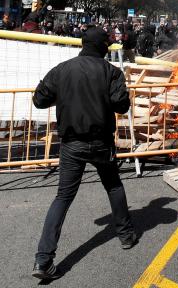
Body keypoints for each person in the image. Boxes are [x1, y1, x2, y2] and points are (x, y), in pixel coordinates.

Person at [31, 27, 136, 281]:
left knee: (63, 198)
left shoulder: (63, 69)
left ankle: (44, 260)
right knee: (113, 185)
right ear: (103, 47)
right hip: (101, 142)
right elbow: (122, 105)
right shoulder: (111, 72)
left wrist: (66, 95)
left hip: (72, 144)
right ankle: (125, 235)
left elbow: (39, 100)